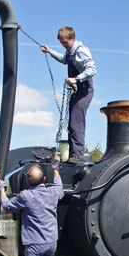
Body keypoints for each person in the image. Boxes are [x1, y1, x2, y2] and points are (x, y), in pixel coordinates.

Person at [41, 26, 97, 165]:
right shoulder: (70, 51)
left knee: (76, 122)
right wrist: (50, 51)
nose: (63, 45)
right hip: (76, 91)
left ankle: (78, 156)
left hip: (84, 90)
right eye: (61, 43)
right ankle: (74, 154)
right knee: (71, 124)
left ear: (72, 38)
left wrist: (76, 79)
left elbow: (92, 69)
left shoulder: (81, 51)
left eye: (65, 42)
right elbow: (64, 59)